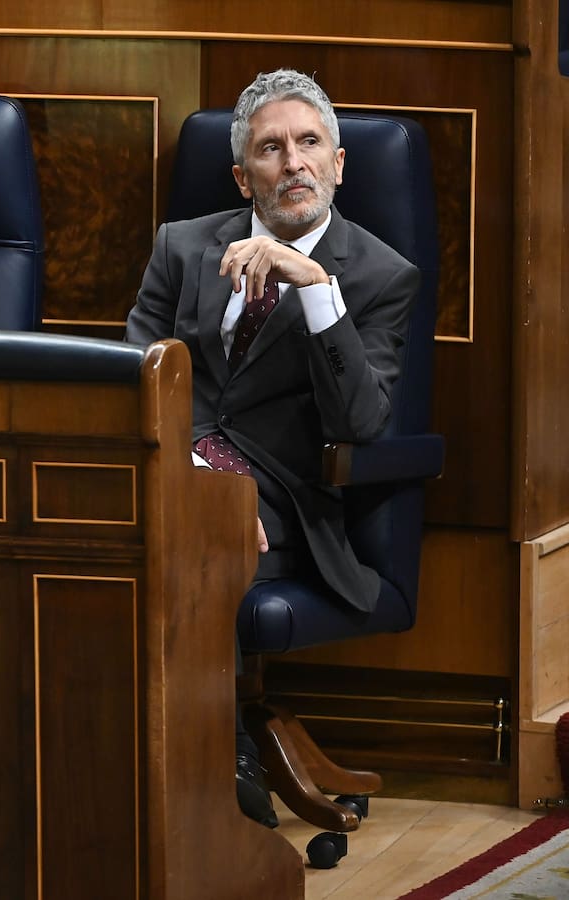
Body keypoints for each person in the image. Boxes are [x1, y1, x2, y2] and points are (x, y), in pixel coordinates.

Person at [124, 69, 420, 827]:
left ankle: (216, 765)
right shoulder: (181, 247)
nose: (294, 163)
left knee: (195, 538)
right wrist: (199, 474)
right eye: (271, 148)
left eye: (309, 143)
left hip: (287, 504)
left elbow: (360, 421)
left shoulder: (382, 276)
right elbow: (134, 383)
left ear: (338, 164)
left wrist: (316, 287)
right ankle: (128, 760)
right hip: (180, 475)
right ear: (241, 176)